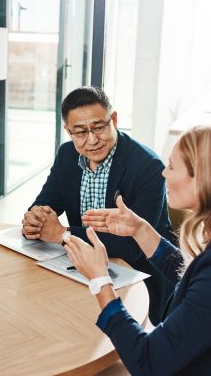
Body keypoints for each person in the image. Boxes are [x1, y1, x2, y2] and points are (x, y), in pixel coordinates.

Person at [65, 126, 211, 375]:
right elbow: (198, 282)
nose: (164, 172)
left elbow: (148, 363)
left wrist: (100, 281)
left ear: (204, 180)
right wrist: (140, 230)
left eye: (172, 166)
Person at [21, 86, 175, 324]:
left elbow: (134, 247)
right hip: (82, 271)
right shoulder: (67, 155)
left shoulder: (148, 166)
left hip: (138, 277)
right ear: (68, 131)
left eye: (99, 127)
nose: (91, 140)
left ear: (113, 119)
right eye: (80, 132)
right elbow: (46, 202)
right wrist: (36, 219)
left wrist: (63, 235)